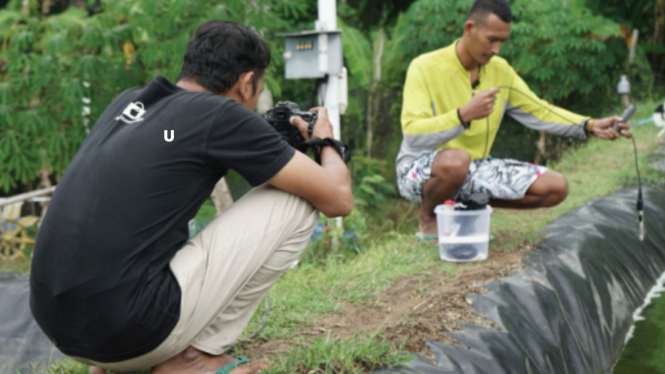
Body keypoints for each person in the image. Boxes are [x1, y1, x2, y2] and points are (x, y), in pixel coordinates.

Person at [30, 20, 352, 374]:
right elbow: (337, 198)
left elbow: (176, 149)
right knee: (297, 201)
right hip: (128, 331)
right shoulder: (220, 115)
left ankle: (118, 360)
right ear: (247, 83)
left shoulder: (130, 103)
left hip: (62, 330)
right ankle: (192, 358)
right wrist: (325, 140)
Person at [395, 0, 631, 241]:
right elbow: (413, 134)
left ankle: (466, 206)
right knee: (457, 161)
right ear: (469, 29)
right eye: (492, 39)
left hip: (476, 167)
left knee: (556, 187)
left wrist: (588, 126)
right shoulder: (424, 67)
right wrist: (463, 115)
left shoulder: (500, 70)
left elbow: (539, 110)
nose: (497, 49)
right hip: (419, 169)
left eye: (502, 41)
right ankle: (429, 219)